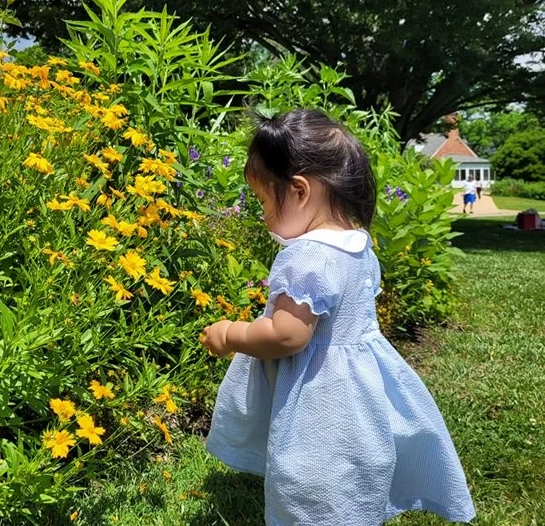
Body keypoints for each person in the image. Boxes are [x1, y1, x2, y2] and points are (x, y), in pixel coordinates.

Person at [200, 109, 475, 525]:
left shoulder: (307, 256)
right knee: (347, 471)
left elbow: (287, 336)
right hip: (358, 391)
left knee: (310, 477)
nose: (261, 214)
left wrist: (230, 334)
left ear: (299, 191)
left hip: (319, 398)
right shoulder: (357, 245)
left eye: (263, 200)